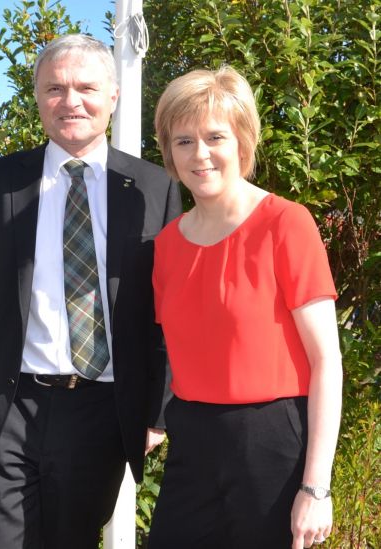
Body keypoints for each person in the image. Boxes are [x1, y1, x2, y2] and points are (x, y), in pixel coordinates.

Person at [0, 34, 181, 549]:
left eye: (86, 87)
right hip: (5, 404)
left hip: (101, 411)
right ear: (37, 97)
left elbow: (167, 313)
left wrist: (160, 407)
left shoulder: (156, 188)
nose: (71, 101)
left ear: (113, 96)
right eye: (55, 88)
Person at [148, 66, 342, 549]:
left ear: (242, 143)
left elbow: (326, 362)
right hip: (190, 442)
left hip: (271, 446)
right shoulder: (167, 244)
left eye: (215, 136)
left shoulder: (286, 224)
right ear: (169, 152)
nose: (200, 153)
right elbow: (170, 350)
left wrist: (316, 487)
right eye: (184, 140)